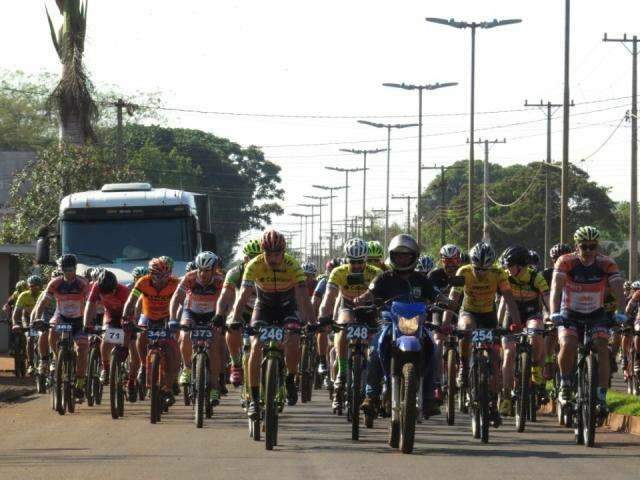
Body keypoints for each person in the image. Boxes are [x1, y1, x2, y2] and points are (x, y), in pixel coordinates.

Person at [356, 234, 449, 418]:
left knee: (433, 348)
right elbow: (369, 293)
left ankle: (429, 397)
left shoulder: (422, 280)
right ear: (392, 256)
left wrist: (447, 301)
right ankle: (371, 396)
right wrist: (361, 300)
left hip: (417, 323)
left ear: (413, 256)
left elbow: (437, 295)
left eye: (406, 255)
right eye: (398, 255)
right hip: (389, 322)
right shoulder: (383, 278)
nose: (402, 258)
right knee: (375, 349)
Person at [230, 230, 316, 417]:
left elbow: (303, 297)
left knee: (293, 340)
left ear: (283, 252)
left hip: (287, 306)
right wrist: (235, 319)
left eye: (277, 254)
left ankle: (290, 379)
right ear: (262, 252)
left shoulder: (293, 265)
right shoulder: (254, 265)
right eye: (268, 254)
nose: (273, 258)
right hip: (264, 307)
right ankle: (253, 399)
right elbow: (243, 296)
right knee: (255, 346)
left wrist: (311, 322)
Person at [443, 242, 522, 426]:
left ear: (491, 265)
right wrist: (446, 323)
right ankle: (463, 366)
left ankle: (493, 405)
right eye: (477, 268)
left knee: (495, 360)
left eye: (485, 269)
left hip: (488, 315)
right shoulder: (463, 272)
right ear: (472, 264)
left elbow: (509, 300)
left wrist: (516, 323)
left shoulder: (499, 274)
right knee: (466, 328)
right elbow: (454, 300)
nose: (481, 273)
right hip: (468, 311)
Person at [550, 226, 626, 417]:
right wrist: (553, 313)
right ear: (577, 246)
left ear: (597, 246)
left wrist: (622, 312)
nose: (589, 251)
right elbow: (555, 290)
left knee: (602, 347)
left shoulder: (606, 263)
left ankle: (601, 395)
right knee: (568, 344)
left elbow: (618, 288)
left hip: (596, 314)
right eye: (584, 247)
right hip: (570, 313)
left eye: (593, 246)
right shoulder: (565, 262)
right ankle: (565, 383)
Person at [317, 238, 381, 412]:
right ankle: (342, 372)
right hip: (348, 306)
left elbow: (384, 297)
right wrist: (324, 316)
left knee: (377, 344)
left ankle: (376, 384)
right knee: (343, 327)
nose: (357, 265)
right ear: (347, 260)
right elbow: (329, 297)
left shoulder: (375, 272)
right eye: (353, 262)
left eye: (360, 262)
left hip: (369, 311)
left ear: (366, 260)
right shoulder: (338, 272)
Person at [497, 245, 550, 416]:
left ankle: (536, 371)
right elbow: (502, 304)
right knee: (509, 353)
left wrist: (551, 315)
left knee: (536, 332)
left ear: (521, 265)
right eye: (505, 265)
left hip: (531, 315)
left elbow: (547, 299)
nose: (507, 269)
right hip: (511, 316)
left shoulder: (536, 278)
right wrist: (497, 324)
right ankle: (505, 396)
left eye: (510, 265)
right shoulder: (505, 277)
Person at [123, 257, 180, 405]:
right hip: (148, 317)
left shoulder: (175, 283)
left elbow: (182, 301)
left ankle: (168, 387)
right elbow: (131, 301)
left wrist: (177, 321)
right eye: (158, 276)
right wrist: (126, 318)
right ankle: (143, 364)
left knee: (173, 353)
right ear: (150, 274)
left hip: (167, 318)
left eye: (165, 276)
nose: (162, 280)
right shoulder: (143, 282)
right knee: (141, 335)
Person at [170, 251, 225, 405]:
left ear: (214, 269)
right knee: (185, 334)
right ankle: (187, 368)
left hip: (212, 313)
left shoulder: (220, 280)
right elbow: (176, 298)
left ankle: (214, 387)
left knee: (214, 347)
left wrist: (223, 318)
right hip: (191, 311)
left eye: (207, 270)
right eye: (200, 269)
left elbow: (227, 300)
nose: (203, 273)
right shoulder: (190, 278)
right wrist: (173, 318)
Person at [34, 254, 91, 401]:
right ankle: (56, 357)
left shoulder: (83, 283)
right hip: (61, 317)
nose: (67, 272)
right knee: (51, 329)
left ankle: (80, 382)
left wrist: (91, 321)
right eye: (64, 269)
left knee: (83, 349)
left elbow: (91, 303)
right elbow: (43, 302)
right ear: (61, 269)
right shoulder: (55, 283)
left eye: (70, 269)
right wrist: (37, 318)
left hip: (79, 320)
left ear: (75, 268)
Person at [83, 270, 139, 399]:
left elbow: (131, 311)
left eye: (110, 292)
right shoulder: (97, 286)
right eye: (105, 294)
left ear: (115, 287)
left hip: (127, 316)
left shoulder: (124, 291)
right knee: (107, 336)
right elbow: (89, 305)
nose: (107, 296)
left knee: (134, 354)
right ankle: (106, 368)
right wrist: (87, 324)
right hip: (111, 316)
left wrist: (125, 341)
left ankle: (131, 382)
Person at [216, 239, 262, 387]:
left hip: (263, 311)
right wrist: (219, 314)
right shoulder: (235, 272)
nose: (255, 259)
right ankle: (236, 364)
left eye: (258, 256)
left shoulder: (270, 269)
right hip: (242, 310)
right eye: (251, 256)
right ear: (245, 258)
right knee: (231, 327)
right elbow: (225, 296)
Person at [11, 275, 44, 375]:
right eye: (31, 285)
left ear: (40, 286)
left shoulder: (43, 295)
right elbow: (16, 313)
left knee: (42, 338)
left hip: (39, 319)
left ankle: (43, 361)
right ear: (28, 286)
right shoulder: (23, 295)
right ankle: (30, 364)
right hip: (27, 318)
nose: (33, 288)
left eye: (36, 286)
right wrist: (15, 324)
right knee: (30, 338)